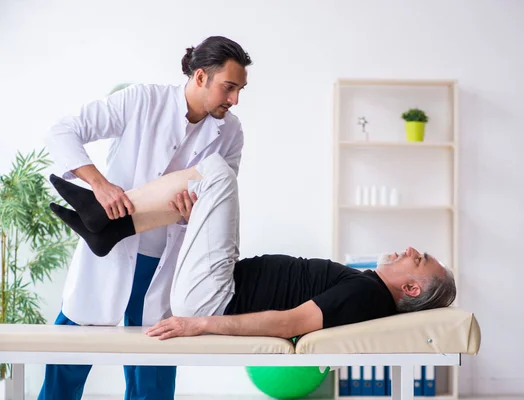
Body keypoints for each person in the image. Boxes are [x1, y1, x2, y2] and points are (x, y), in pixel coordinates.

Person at [49, 153, 457, 343]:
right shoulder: (366, 289)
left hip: (214, 301)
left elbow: (290, 324)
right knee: (205, 188)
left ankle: (108, 220)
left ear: (412, 289)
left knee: (216, 172)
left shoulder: (367, 294)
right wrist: (198, 228)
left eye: (417, 259)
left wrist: (200, 324)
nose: (408, 249)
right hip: (217, 289)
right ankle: (110, 227)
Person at [39, 36, 252, 400]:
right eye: (228, 87)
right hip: (113, 258)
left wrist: (190, 214)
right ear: (200, 77)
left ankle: (103, 223)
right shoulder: (143, 100)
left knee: (153, 371)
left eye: (239, 90)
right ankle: (104, 219)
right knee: (69, 359)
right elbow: (63, 131)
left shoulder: (230, 132)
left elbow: (219, 198)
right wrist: (101, 185)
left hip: (167, 261)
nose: (234, 100)